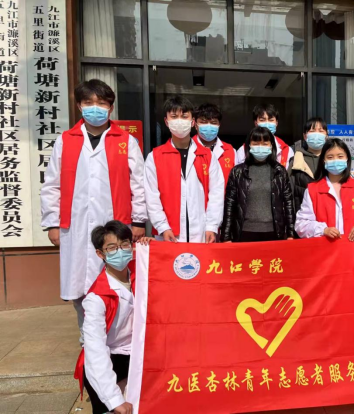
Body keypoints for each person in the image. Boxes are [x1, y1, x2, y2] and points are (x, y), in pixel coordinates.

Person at [41, 79, 147, 344]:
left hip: (116, 224)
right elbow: (52, 184)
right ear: (79, 106)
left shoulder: (126, 141)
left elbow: (139, 183)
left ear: (111, 107)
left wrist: (138, 221)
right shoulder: (66, 141)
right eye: (88, 102)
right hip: (75, 227)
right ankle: (88, 337)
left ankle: (119, 338)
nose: (95, 108)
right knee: (79, 284)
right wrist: (52, 223)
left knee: (117, 279)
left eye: (101, 103)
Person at [74, 221, 152, 415]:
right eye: (111, 247)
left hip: (141, 354)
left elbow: (169, 268)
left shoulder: (142, 273)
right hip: (112, 359)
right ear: (100, 254)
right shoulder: (96, 298)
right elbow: (95, 351)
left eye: (124, 244)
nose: (120, 251)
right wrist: (114, 399)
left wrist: (155, 248)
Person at [144, 96, 225, 243]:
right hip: (168, 234)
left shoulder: (207, 156)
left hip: (201, 233)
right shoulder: (155, 156)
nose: (179, 121)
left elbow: (216, 193)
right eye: (174, 116)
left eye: (184, 116)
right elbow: (151, 196)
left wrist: (212, 226)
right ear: (166, 121)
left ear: (192, 122)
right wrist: (163, 227)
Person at [295, 138, 354, 241]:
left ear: (347, 158)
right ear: (323, 160)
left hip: (353, 247)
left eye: (340, 156)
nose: (335, 160)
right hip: (325, 248)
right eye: (330, 157)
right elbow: (301, 224)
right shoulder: (313, 190)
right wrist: (323, 230)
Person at [221, 127, 295, 243]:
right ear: (249, 146)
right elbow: (230, 205)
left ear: (272, 146)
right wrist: (226, 236)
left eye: (265, 144)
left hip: (274, 233)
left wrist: (290, 233)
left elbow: (288, 203)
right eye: (256, 143)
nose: (260, 147)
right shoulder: (237, 172)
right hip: (244, 233)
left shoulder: (280, 172)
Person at [289, 117, 328, 215]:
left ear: (326, 136)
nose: (317, 134)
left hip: (328, 214)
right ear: (305, 136)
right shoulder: (296, 159)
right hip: (303, 215)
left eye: (321, 131)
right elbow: (289, 192)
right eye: (312, 131)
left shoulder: (332, 160)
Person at [235, 104, 293, 168]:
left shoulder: (287, 151)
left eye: (271, 120)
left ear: (276, 123)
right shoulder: (243, 151)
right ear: (256, 123)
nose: (267, 124)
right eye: (262, 120)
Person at [193, 103, 237, 186]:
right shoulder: (188, 149)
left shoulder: (230, 151)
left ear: (219, 125)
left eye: (213, 123)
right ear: (195, 125)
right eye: (203, 122)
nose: (209, 126)